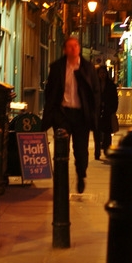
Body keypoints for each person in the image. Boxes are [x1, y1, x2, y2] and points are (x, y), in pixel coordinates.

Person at [43, 36, 99, 193]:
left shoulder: (88, 68)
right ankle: (61, 181)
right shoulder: (57, 68)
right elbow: (50, 91)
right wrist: (53, 113)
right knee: (61, 150)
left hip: (81, 115)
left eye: (76, 45)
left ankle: (81, 175)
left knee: (81, 151)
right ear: (65, 50)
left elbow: (95, 92)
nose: (74, 48)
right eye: (70, 46)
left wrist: (93, 113)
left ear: (79, 48)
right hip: (63, 114)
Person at [93, 61, 119, 159]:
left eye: (104, 73)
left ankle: (107, 150)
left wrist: (113, 110)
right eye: (100, 73)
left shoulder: (111, 85)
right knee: (97, 133)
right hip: (97, 112)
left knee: (107, 133)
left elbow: (115, 99)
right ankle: (97, 152)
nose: (102, 75)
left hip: (108, 112)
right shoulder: (95, 85)